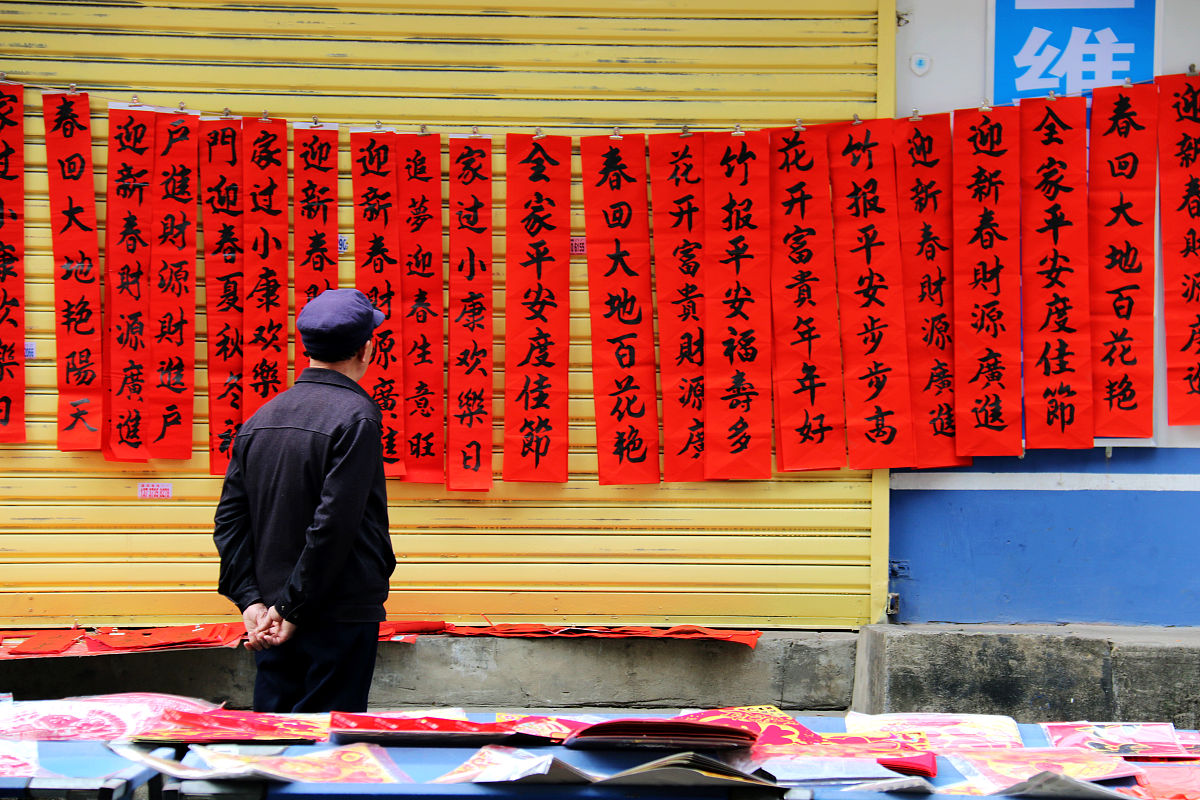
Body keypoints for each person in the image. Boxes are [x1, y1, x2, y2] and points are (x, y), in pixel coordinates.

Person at [213, 288, 396, 713]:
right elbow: (333, 524)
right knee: (326, 751)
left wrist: (253, 601)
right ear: (367, 349)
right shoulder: (357, 418)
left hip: (270, 617)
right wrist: (290, 609)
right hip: (335, 612)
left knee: (274, 740)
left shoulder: (261, 418)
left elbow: (229, 520)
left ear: (307, 348)